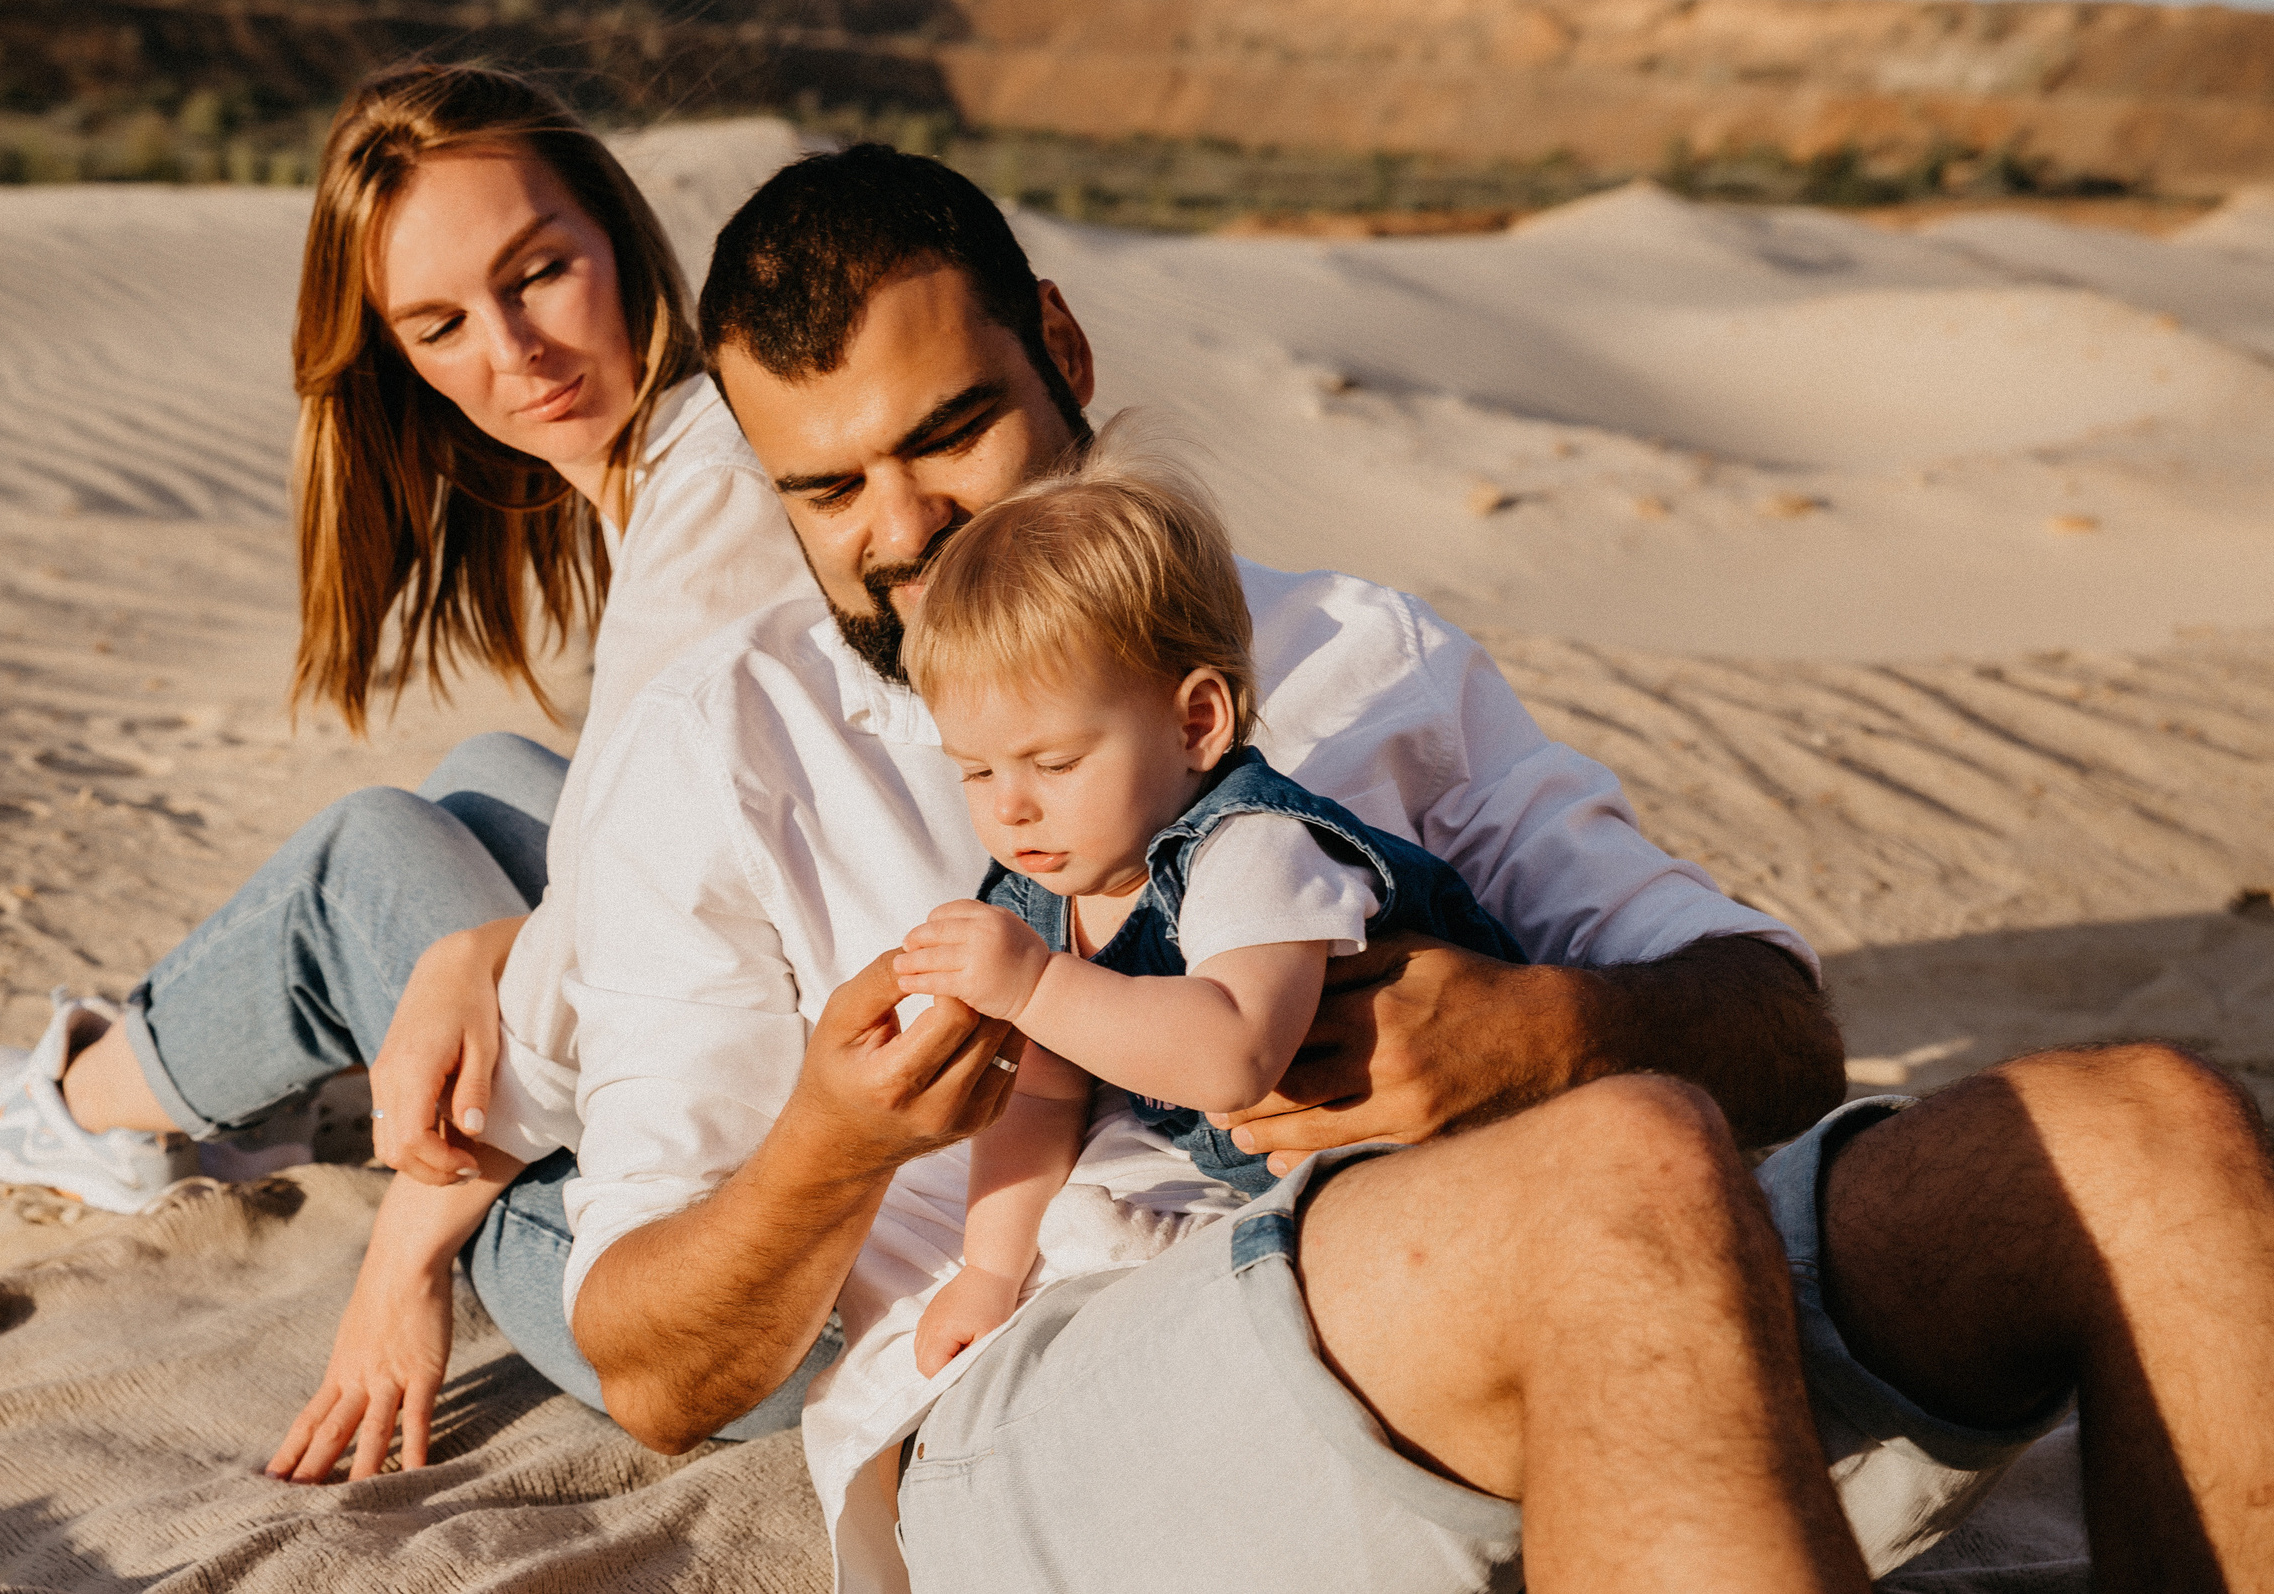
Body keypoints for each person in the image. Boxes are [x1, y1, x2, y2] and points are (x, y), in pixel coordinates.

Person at [544, 143, 2274, 1594]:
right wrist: (832, 1149)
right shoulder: (719, 759)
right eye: (826, 488)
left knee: (2154, 1138)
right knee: (1626, 1165)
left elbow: (1776, 1028)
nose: (900, 526)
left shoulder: (1361, 652)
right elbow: (648, 1366)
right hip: (1055, 1394)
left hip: (1592, 1282)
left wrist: (1545, 1026)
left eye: (948, 435)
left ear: (1059, 343)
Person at [0, 62, 827, 1483]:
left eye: (538, 273)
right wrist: (495, 944)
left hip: (749, 1315)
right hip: (783, 1153)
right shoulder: (697, 448)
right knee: (486, 775)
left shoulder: (713, 502)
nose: (514, 350)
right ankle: (256, 1079)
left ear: (615, 231)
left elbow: (645, 954)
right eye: (441, 324)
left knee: (371, 856)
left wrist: (407, 1246)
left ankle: (87, 1109)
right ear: (396, 356)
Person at [889, 439, 1523, 1375]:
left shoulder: (1251, 848)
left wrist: (1030, 985)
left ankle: (1213, 1276)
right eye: (976, 771)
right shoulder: (1050, 892)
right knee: (1079, 1205)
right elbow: (1043, 1092)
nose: (1009, 805)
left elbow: (1233, 1054)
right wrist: (988, 1269)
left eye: (1054, 764)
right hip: (1283, 1177)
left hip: (1452, 1157)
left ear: (1196, 723)